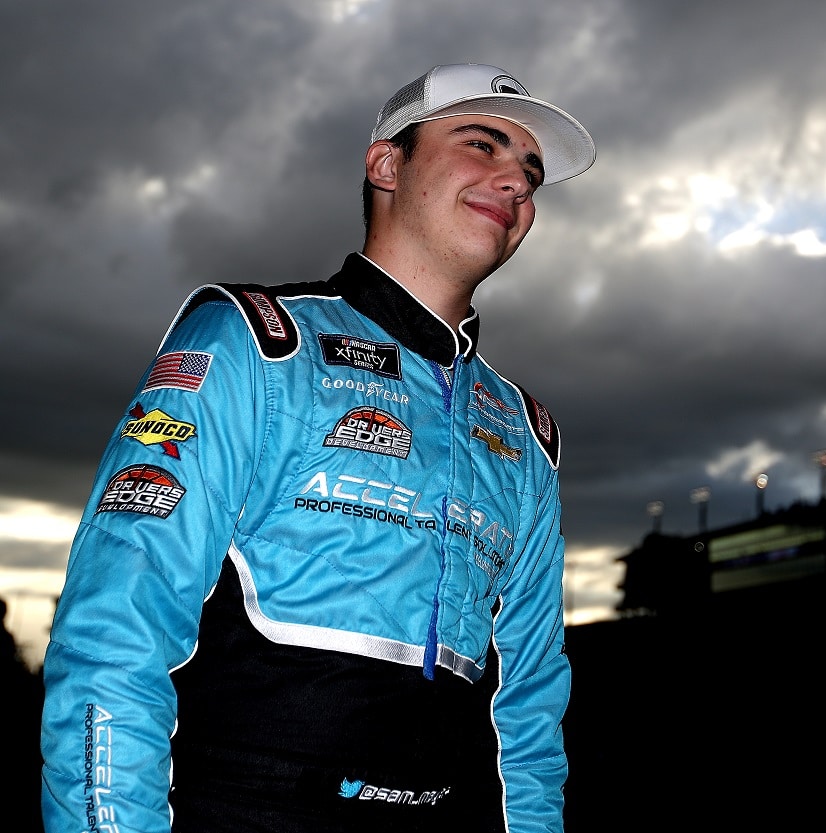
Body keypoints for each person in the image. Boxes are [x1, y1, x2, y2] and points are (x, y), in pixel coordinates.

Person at [40, 62, 595, 833]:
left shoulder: (525, 434)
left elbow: (528, 710)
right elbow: (115, 635)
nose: (515, 183)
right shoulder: (251, 341)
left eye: (530, 173)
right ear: (386, 164)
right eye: (483, 144)